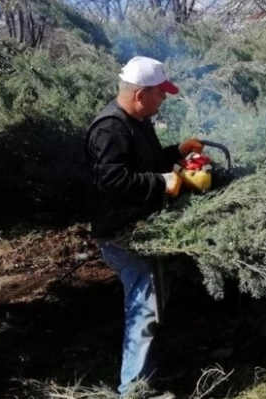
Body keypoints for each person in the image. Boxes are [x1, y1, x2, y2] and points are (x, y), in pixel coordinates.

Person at [84, 56, 203, 397]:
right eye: (160, 93)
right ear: (140, 95)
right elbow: (111, 180)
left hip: (137, 228)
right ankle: (133, 390)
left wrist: (176, 152)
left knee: (152, 301)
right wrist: (162, 182)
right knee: (143, 308)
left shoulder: (137, 120)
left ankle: (146, 375)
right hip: (120, 235)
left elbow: (144, 163)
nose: (163, 99)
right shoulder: (111, 129)